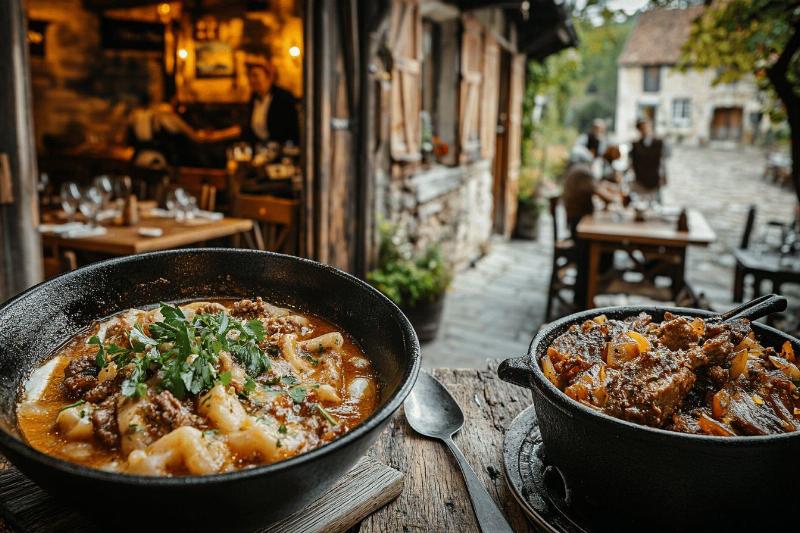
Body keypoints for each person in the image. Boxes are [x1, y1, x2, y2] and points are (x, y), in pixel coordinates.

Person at [205, 56, 300, 146]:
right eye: (249, 76)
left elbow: (292, 131)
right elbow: (248, 129)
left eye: (255, 75)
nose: (251, 80)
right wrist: (218, 135)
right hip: (260, 151)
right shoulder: (254, 98)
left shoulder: (283, 97)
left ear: (269, 77)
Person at [128, 96, 205, 168]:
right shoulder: (164, 114)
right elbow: (194, 136)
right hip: (157, 160)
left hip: (138, 159)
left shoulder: (135, 115)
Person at [629, 118, 668, 200]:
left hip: (654, 178)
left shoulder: (659, 142)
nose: (645, 130)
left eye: (647, 127)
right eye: (642, 128)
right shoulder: (635, 145)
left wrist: (664, 176)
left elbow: (663, 160)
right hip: (640, 179)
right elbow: (633, 162)